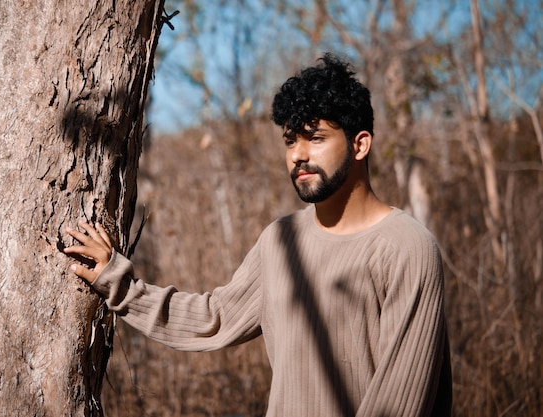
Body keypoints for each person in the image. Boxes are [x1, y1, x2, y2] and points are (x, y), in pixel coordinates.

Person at [64, 53, 452, 417]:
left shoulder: (406, 248)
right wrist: (117, 282)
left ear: (360, 144)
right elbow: (214, 318)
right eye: (290, 140)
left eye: (315, 138)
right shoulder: (280, 241)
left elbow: (399, 405)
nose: (298, 154)